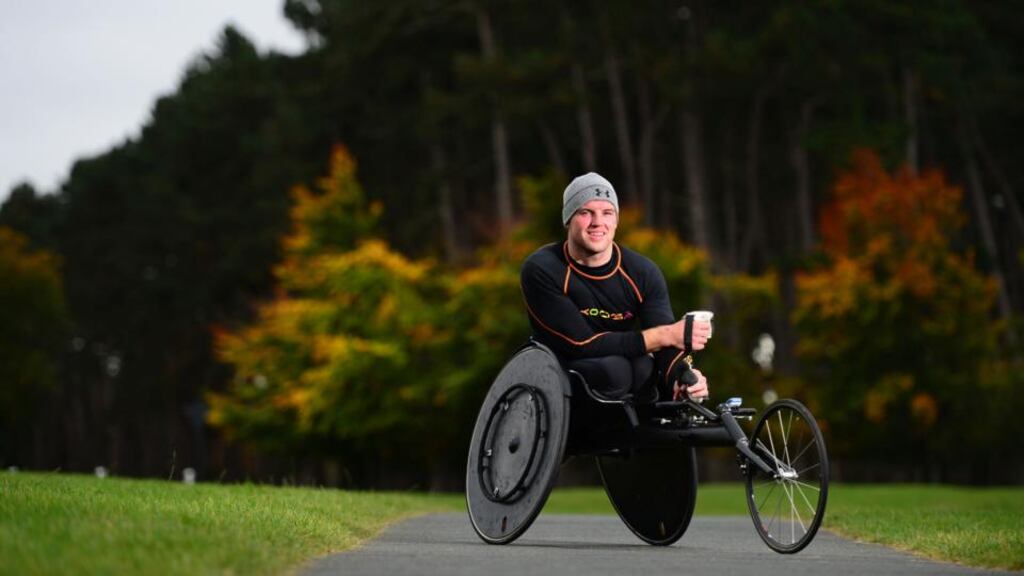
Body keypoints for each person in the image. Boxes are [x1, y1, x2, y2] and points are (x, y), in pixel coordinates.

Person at [520, 172, 711, 402]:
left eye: (607, 213)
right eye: (585, 212)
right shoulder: (542, 268)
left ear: (616, 221)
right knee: (616, 371)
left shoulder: (643, 272)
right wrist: (663, 334)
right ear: (568, 219)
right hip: (558, 369)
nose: (598, 222)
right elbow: (582, 344)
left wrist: (682, 376)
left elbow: (667, 346)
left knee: (644, 369)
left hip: (623, 363)